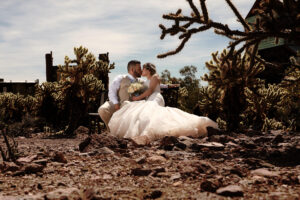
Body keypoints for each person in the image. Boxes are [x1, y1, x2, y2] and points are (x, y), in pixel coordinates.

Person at [108, 63, 218, 144]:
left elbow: (151, 90)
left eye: (143, 69)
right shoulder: (147, 79)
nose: (142, 71)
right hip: (149, 97)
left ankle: (147, 134)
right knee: (140, 111)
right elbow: (159, 86)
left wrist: (138, 98)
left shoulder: (155, 77)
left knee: (147, 108)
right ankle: (141, 133)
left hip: (156, 97)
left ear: (148, 69)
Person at [98, 60, 142, 129]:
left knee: (127, 105)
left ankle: (119, 132)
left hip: (129, 106)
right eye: (139, 69)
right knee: (102, 110)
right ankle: (110, 130)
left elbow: (153, 85)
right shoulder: (121, 78)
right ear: (132, 69)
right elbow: (112, 92)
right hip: (117, 104)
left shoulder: (140, 82)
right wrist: (116, 104)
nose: (141, 70)